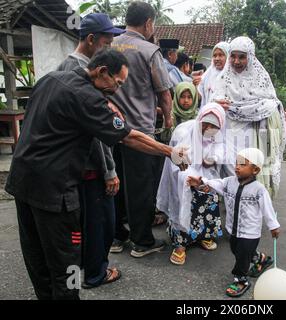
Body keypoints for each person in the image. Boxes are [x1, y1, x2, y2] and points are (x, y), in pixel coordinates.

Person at [5, 49, 189, 300]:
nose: (117, 89)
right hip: (55, 192)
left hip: (22, 183)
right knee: (66, 262)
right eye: (118, 82)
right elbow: (128, 136)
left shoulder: (50, 79)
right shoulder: (88, 98)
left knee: (36, 258)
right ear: (102, 71)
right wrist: (169, 151)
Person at [55, 13, 125, 289]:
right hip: (90, 164)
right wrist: (109, 171)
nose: (110, 49)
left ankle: (86, 267)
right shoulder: (82, 73)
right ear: (92, 40)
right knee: (101, 222)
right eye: (107, 42)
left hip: (75, 164)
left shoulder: (65, 68)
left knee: (85, 223)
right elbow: (95, 131)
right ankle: (96, 273)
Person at [110, 1, 174, 256]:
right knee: (140, 188)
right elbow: (164, 93)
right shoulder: (150, 51)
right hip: (140, 133)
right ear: (148, 23)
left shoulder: (110, 46)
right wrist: (168, 121)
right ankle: (142, 241)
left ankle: (116, 238)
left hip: (111, 131)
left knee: (114, 184)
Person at [187, 148, 280, 298]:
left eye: (242, 164)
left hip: (250, 233)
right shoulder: (229, 182)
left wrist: (273, 226)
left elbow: (267, 209)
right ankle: (260, 258)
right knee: (236, 251)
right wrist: (202, 181)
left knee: (242, 257)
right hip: (232, 229)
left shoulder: (259, 190)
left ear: (255, 170)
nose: (237, 166)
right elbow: (216, 183)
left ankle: (241, 279)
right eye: (236, 163)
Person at [212, 36, 286, 198]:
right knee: (231, 177)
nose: (236, 61)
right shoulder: (222, 80)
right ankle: (234, 212)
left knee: (251, 176)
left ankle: (251, 213)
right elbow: (211, 107)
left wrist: (262, 109)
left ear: (250, 58)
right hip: (228, 136)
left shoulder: (261, 80)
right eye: (233, 56)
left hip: (254, 136)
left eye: (242, 57)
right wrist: (217, 105)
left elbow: (270, 103)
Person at [157, 103, 226, 265]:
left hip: (206, 180)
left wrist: (211, 162)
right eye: (205, 123)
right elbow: (177, 163)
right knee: (183, 206)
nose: (208, 128)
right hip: (184, 178)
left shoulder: (218, 137)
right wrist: (193, 179)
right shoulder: (184, 133)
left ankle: (204, 236)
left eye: (214, 125)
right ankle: (180, 244)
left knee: (207, 205)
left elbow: (219, 155)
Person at [198, 42, 230, 109]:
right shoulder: (207, 75)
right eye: (215, 56)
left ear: (228, 57)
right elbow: (199, 96)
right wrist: (195, 86)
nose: (217, 59)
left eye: (221, 55)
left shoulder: (232, 76)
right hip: (208, 115)